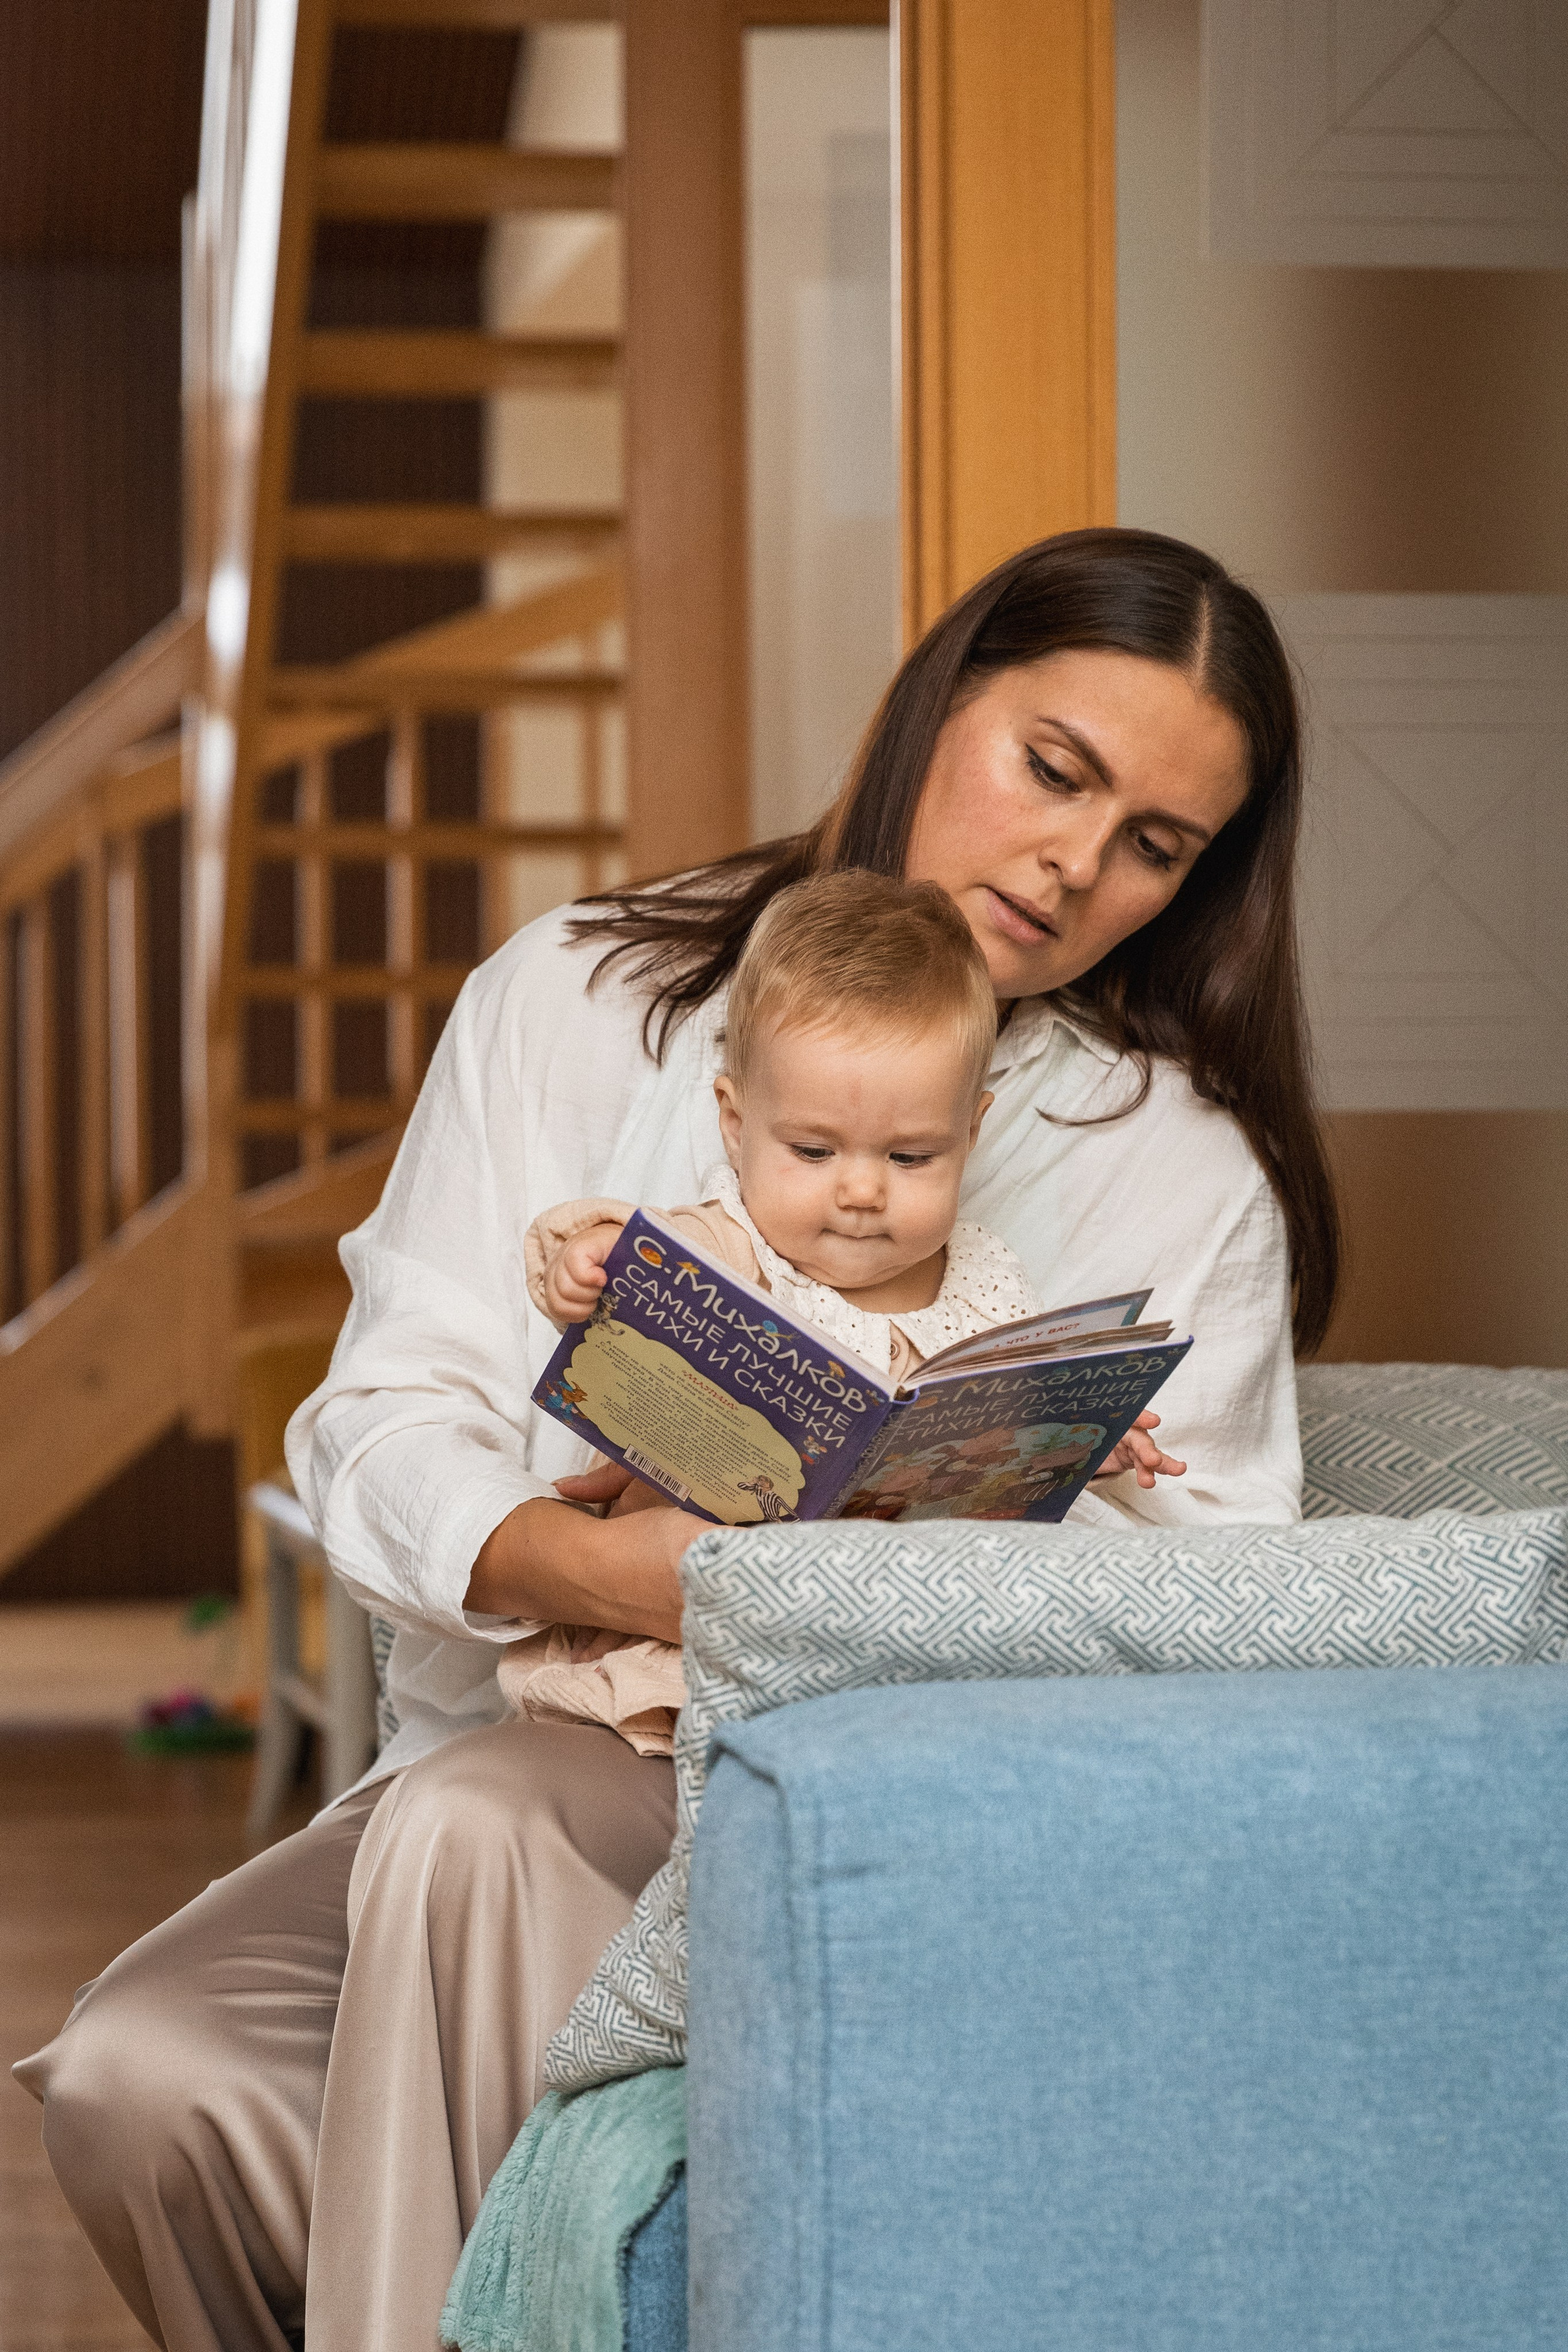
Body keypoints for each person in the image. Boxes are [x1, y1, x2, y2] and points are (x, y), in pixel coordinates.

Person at [15, 527, 1340, 2352]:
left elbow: (1223, 1608)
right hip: (536, 1722)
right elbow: (385, 1415)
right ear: (942, 702)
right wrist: (577, 1562)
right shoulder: (576, 996)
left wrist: (947, 1544)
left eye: (1155, 848)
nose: (1073, 864)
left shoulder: (1172, 1170)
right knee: (140, 2075)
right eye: (1055, 770)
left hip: (882, 1812)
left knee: (481, 1834)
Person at [505, 869, 1185, 1754]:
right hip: (713, 1638)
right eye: (814, 1149)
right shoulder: (728, 1250)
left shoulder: (982, 1281)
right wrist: (583, 1266)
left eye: (910, 1157)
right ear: (736, 1122)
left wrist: (1081, 1435)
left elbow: (1007, 1443)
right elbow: (616, 1256)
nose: (862, 1190)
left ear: (970, 1135)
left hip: (897, 1649)